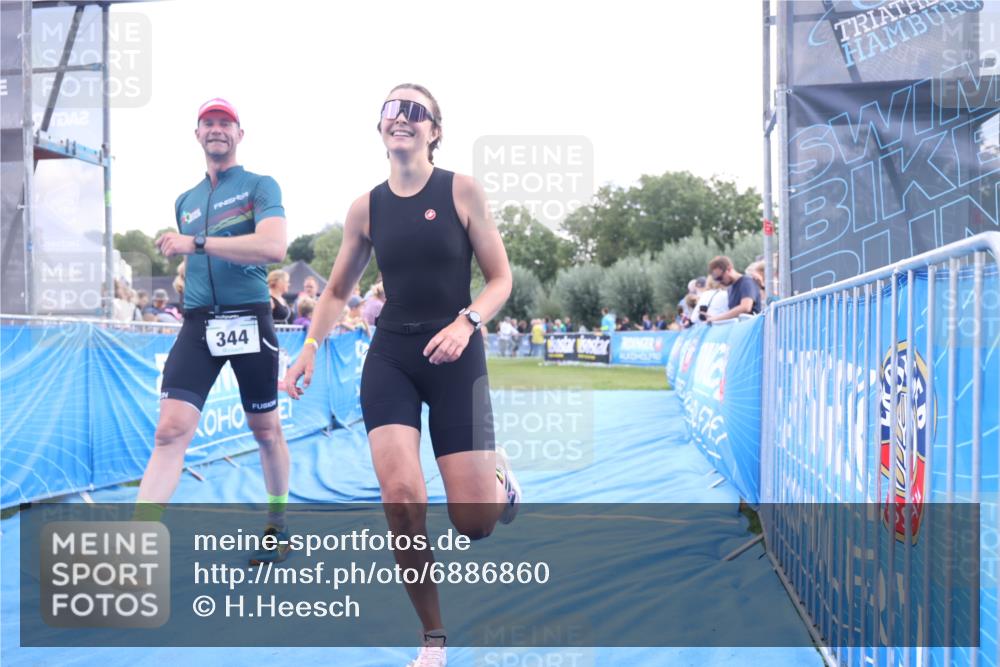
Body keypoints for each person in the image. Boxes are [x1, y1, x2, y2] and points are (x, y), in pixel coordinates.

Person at [284, 83, 519, 667]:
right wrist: (310, 345)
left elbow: (500, 280)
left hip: (455, 352)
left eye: (416, 111)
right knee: (402, 499)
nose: (402, 119)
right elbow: (336, 289)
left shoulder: (461, 190)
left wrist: (467, 323)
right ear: (381, 129)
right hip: (390, 358)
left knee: (475, 524)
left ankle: (498, 477)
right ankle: (433, 636)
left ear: (435, 130)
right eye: (392, 109)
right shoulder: (366, 207)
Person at [135, 97, 291, 566]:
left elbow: (275, 246)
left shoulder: (260, 186)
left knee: (265, 430)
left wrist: (197, 242)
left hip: (249, 318)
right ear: (197, 134)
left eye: (226, 122)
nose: (217, 129)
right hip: (199, 323)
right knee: (169, 431)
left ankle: (277, 526)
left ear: (239, 134)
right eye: (209, 123)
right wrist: (184, 247)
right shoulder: (185, 200)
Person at [706, 255, 762, 323]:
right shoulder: (730, 288)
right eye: (716, 279)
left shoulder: (746, 282)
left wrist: (716, 318)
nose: (719, 282)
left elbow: (745, 307)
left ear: (729, 269)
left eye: (720, 278)